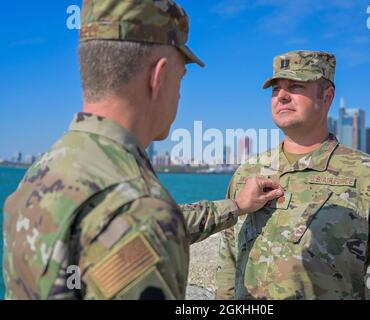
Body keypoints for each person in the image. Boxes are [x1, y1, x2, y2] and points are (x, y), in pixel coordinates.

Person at [2, 0, 283, 300]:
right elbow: (143, 227)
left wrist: (236, 206)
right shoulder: (140, 207)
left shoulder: (43, 171)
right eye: (180, 79)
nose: (179, 94)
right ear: (158, 77)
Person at [216, 50, 370, 300]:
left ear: (327, 97)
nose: (281, 96)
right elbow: (228, 263)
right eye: (276, 89)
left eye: (295, 86)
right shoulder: (248, 172)